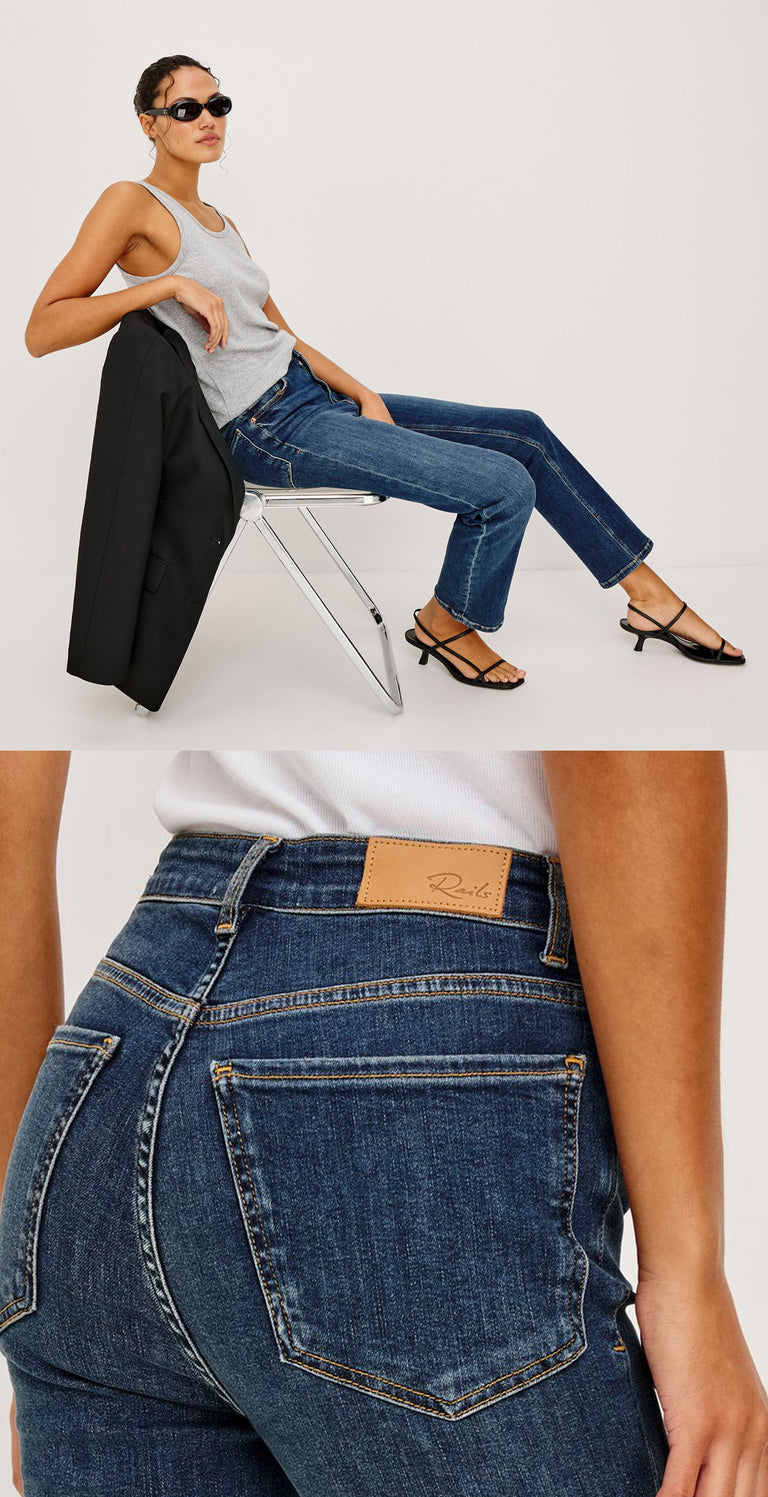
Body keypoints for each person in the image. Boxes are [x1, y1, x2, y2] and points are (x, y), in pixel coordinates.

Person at [1, 749, 766, 1496]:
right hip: (412, 1037)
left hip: (110, 1063)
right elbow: (616, 740)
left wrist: (27, 1268)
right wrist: (688, 1270)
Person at [24, 56, 745, 691]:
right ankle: (446, 622)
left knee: (525, 434)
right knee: (502, 487)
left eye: (219, 104)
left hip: (311, 399)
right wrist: (165, 287)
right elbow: (43, 327)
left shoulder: (218, 219)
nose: (208, 118)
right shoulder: (130, 203)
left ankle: (646, 591)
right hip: (262, 431)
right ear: (151, 123)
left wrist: (363, 391)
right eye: (187, 108)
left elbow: (286, 337)